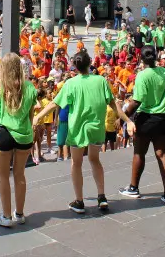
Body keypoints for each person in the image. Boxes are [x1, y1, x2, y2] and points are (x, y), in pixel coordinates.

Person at [36, 51, 113, 213]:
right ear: (90, 63)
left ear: (75, 67)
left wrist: (38, 117)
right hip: (96, 128)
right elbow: (112, 103)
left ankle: (79, 201)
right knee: (95, 160)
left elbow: (55, 104)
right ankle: (102, 197)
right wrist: (127, 120)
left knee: (76, 163)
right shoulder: (101, 80)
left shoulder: (70, 84)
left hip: (78, 129)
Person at [117, 46, 165, 206]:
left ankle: (133, 188)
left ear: (142, 59)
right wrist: (161, 99)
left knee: (139, 153)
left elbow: (136, 101)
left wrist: (124, 118)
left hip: (146, 118)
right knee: (162, 154)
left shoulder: (142, 75)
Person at [0, 53, 37, 227]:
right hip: (24, 135)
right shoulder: (30, 88)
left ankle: (6, 216)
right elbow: (31, 115)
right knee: (20, 174)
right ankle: (20, 213)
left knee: (2, 176)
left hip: (4, 133)